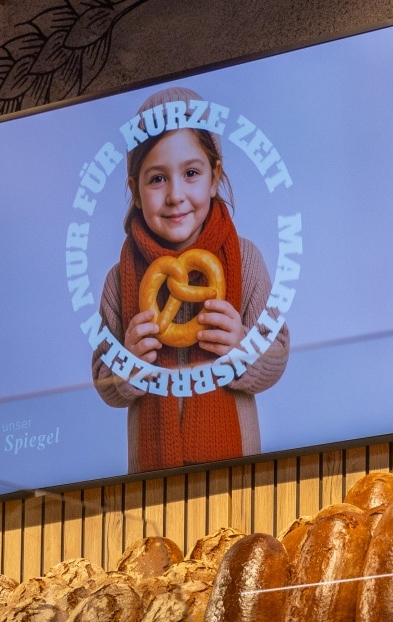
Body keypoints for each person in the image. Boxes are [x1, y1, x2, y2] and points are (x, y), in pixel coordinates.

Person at [92, 86, 289, 473]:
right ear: (135, 191)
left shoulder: (245, 260)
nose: (175, 195)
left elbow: (278, 354)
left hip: (236, 469)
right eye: (157, 179)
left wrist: (242, 346)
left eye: (191, 173)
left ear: (215, 177)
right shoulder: (119, 281)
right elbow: (103, 380)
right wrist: (127, 362)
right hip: (152, 478)